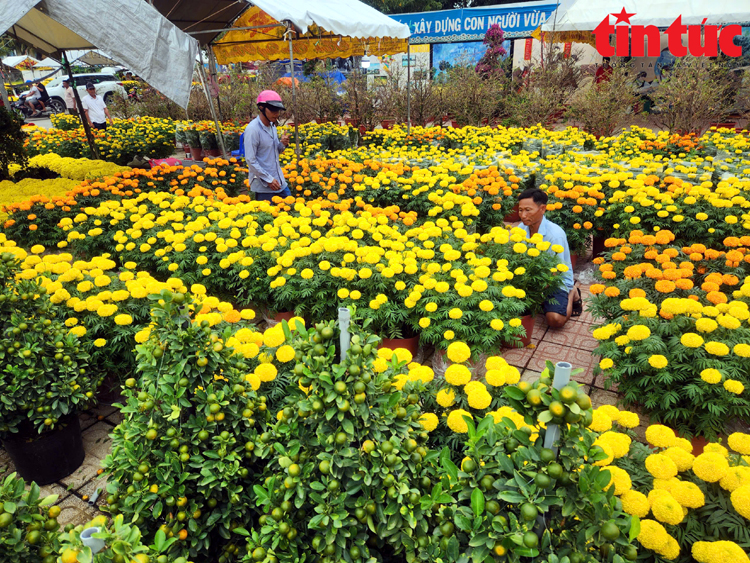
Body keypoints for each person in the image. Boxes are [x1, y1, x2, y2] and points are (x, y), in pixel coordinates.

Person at [516, 188, 582, 328]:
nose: (523, 215)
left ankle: (572, 292)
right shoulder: (521, 229)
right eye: (520, 210)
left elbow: (555, 272)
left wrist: (535, 294)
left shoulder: (554, 235)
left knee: (555, 320)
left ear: (543, 209)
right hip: (533, 279)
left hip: (554, 281)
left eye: (528, 210)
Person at [243, 90, 291, 202]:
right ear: (261, 107)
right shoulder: (253, 130)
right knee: (269, 217)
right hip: (264, 186)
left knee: (290, 208)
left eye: (278, 110)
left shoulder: (272, 126)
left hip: (279, 182)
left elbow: (274, 152)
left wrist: (282, 144)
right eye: (273, 110)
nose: (277, 114)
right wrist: (269, 180)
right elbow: (250, 160)